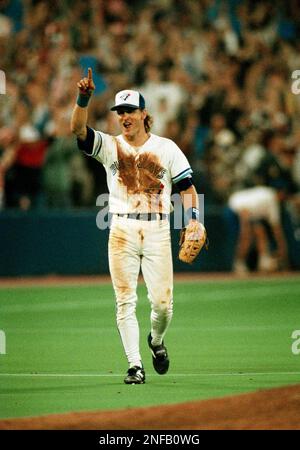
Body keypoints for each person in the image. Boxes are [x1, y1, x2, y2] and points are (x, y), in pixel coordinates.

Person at [71, 68, 205, 384]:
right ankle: (135, 366)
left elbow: (186, 187)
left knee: (162, 306)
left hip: (157, 230)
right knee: (124, 301)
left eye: (130, 110)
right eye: (120, 112)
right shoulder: (109, 145)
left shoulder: (167, 147)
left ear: (144, 114)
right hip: (121, 229)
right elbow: (78, 130)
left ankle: (156, 342)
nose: (125, 116)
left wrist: (194, 220)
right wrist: (83, 99)